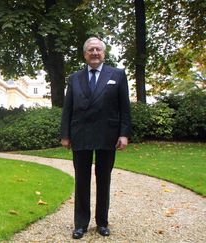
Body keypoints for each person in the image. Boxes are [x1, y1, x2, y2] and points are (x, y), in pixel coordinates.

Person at [59, 37, 131, 239]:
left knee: (104, 180)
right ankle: (80, 224)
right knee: (81, 181)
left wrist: (124, 134)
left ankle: (102, 222)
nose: (94, 53)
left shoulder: (117, 74)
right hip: (80, 134)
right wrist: (65, 134)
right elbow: (68, 108)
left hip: (107, 134)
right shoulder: (74, 78)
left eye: (98, 49)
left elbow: (124, 107)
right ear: (85, 54)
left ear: (104, 53)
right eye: (90, 49)